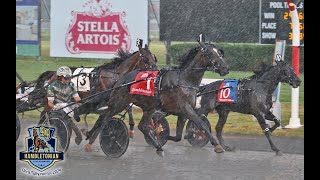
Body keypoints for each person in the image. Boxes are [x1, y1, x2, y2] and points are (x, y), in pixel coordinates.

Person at [47, 66, 83, 145]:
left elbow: (77, 98)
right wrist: (54, 107)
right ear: (60, 77)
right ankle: (77, 135)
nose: (68, 80)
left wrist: (80, 102)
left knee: (73, 108)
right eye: (66, 78)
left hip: (68, 108)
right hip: (57, 109)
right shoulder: (52, 87)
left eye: (69, 78)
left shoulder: (71, 85)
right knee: (69, 118)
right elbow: (50, 103)